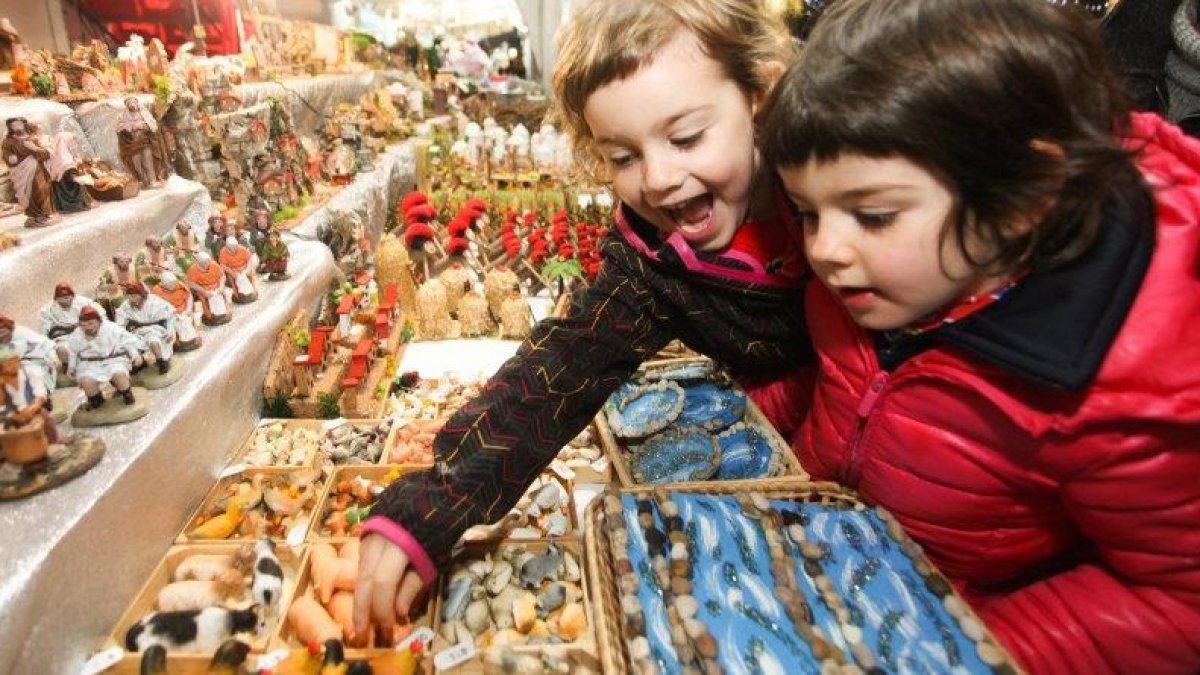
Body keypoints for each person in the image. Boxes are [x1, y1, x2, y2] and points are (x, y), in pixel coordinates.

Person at [754, 0, 1200, 672]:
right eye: (809, 212)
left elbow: (1177, 598)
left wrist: (961, 644)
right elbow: (852, 387)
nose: (826, 248)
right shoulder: (890, 274)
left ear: (1025, 197)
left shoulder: (1125, 392)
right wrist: (747, 426)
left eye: (871, 213)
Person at [353, 0, 814, 639]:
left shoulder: (836, 183)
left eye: (685, 137)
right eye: (622, 156)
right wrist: (434, 504)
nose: (658, 178)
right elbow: (561, 367)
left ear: (759, 93)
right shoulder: (651, 259)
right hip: (771, 455)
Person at [65, 305, 143, 410]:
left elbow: (127, 342)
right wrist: (71, 367)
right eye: (83, 325)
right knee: (87, 380)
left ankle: (127, 395)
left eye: (90, 323)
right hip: (90, 364)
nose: (87, 327)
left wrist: (135, 355)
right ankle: (96, 400)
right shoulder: (77, 334)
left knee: (118, 374)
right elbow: (73, 352)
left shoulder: (112, 328)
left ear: (99, 321)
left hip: (113, 360)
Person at [2, 117, 55, 227]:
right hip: (21, 172)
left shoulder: (32, 138)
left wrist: (34, 149)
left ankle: (45, 215)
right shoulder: (8, 141)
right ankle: (35, 216)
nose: (17, 127)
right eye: (14, 125)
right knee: (29, 194)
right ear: (10, 127)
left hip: (38, 170)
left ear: (24, 125)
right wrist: (11, 158)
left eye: (19, 124)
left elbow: (45, 154)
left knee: (42, 189)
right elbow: (6, 156)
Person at [38, 283, 104, 369]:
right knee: (63, 351)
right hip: (63, 340)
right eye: (60, 298)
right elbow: (43, 335)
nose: (64, 301)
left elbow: (101, 314)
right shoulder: (46, 311)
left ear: (72, 296)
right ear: (56, 299)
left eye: (66, 297)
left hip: (84, 335)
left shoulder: (83, 302)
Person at [114, 282, 175, 374]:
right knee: (128, 344)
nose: (131, 299)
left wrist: (170, 331)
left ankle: (161, 361)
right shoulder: (126, 306)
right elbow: (120, 323)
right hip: (138, 331)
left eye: (134, 296)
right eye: (129, 296)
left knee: (153, 340)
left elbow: (171, 314)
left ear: (142, 295)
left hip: (155, 330)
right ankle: (140, 362)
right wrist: (122, 334)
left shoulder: (154, 301)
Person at [0, 314, 58, 396]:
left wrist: (53, 359)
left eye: (2, 330)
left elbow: (47, 346)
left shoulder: (22, 334)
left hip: (38, 362)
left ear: (9, 328)